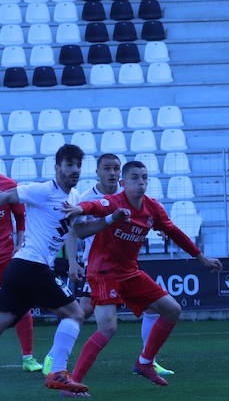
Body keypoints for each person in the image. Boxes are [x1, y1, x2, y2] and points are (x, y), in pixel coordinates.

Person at [64, 160, 222, 389]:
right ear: (123, 183)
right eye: (135, 178)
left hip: (130, 272)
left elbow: (175, 232)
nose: (141, 182)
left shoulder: (153, 208)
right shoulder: (115, 202)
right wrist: (81, 208)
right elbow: (95, 207)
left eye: (144, 177)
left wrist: (202, 258)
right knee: (107, 328)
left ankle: (145, 363)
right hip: (103, 272)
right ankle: (73, 383)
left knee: (172, 309)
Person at [47, 153, 173, 377]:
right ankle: (54, 357)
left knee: (154, 308)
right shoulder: (87, 198)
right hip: (98, 266)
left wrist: (160, 230)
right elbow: (72, 232)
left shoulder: (128, 194)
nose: (112, 173)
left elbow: (144, 218)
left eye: (116, 168)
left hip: (123, 265)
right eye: (107, 169)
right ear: (98, 172)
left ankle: (148, 359)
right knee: (82, 312)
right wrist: (73, 262)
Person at [0, 144, 90, 395]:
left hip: (22, 268)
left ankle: (59, 374)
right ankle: (59, 373)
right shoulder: (43, 190)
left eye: (78, 165)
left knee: (4, 319)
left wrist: (108, 220)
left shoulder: (73, 199)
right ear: (57, 167)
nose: (74, 170)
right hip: (31, 266)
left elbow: (75, 231)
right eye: (69, 164)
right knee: (74, 313)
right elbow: (7, 197)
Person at [0, 173, 40, 372]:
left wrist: (19, 243)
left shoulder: (8, 185)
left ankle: (28, 357)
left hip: (6, 256)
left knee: (22, 304)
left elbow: (20, 216)